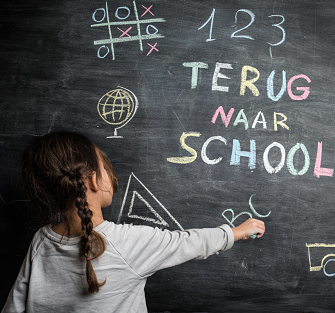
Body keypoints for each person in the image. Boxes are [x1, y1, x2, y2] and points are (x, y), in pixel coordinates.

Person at [2, 131, 265, 313]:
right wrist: (235, 232)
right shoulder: (127, 243)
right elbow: (188, 243)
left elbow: (15, 304)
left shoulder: (40, 242)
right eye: (105, 167)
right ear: (93, 180)